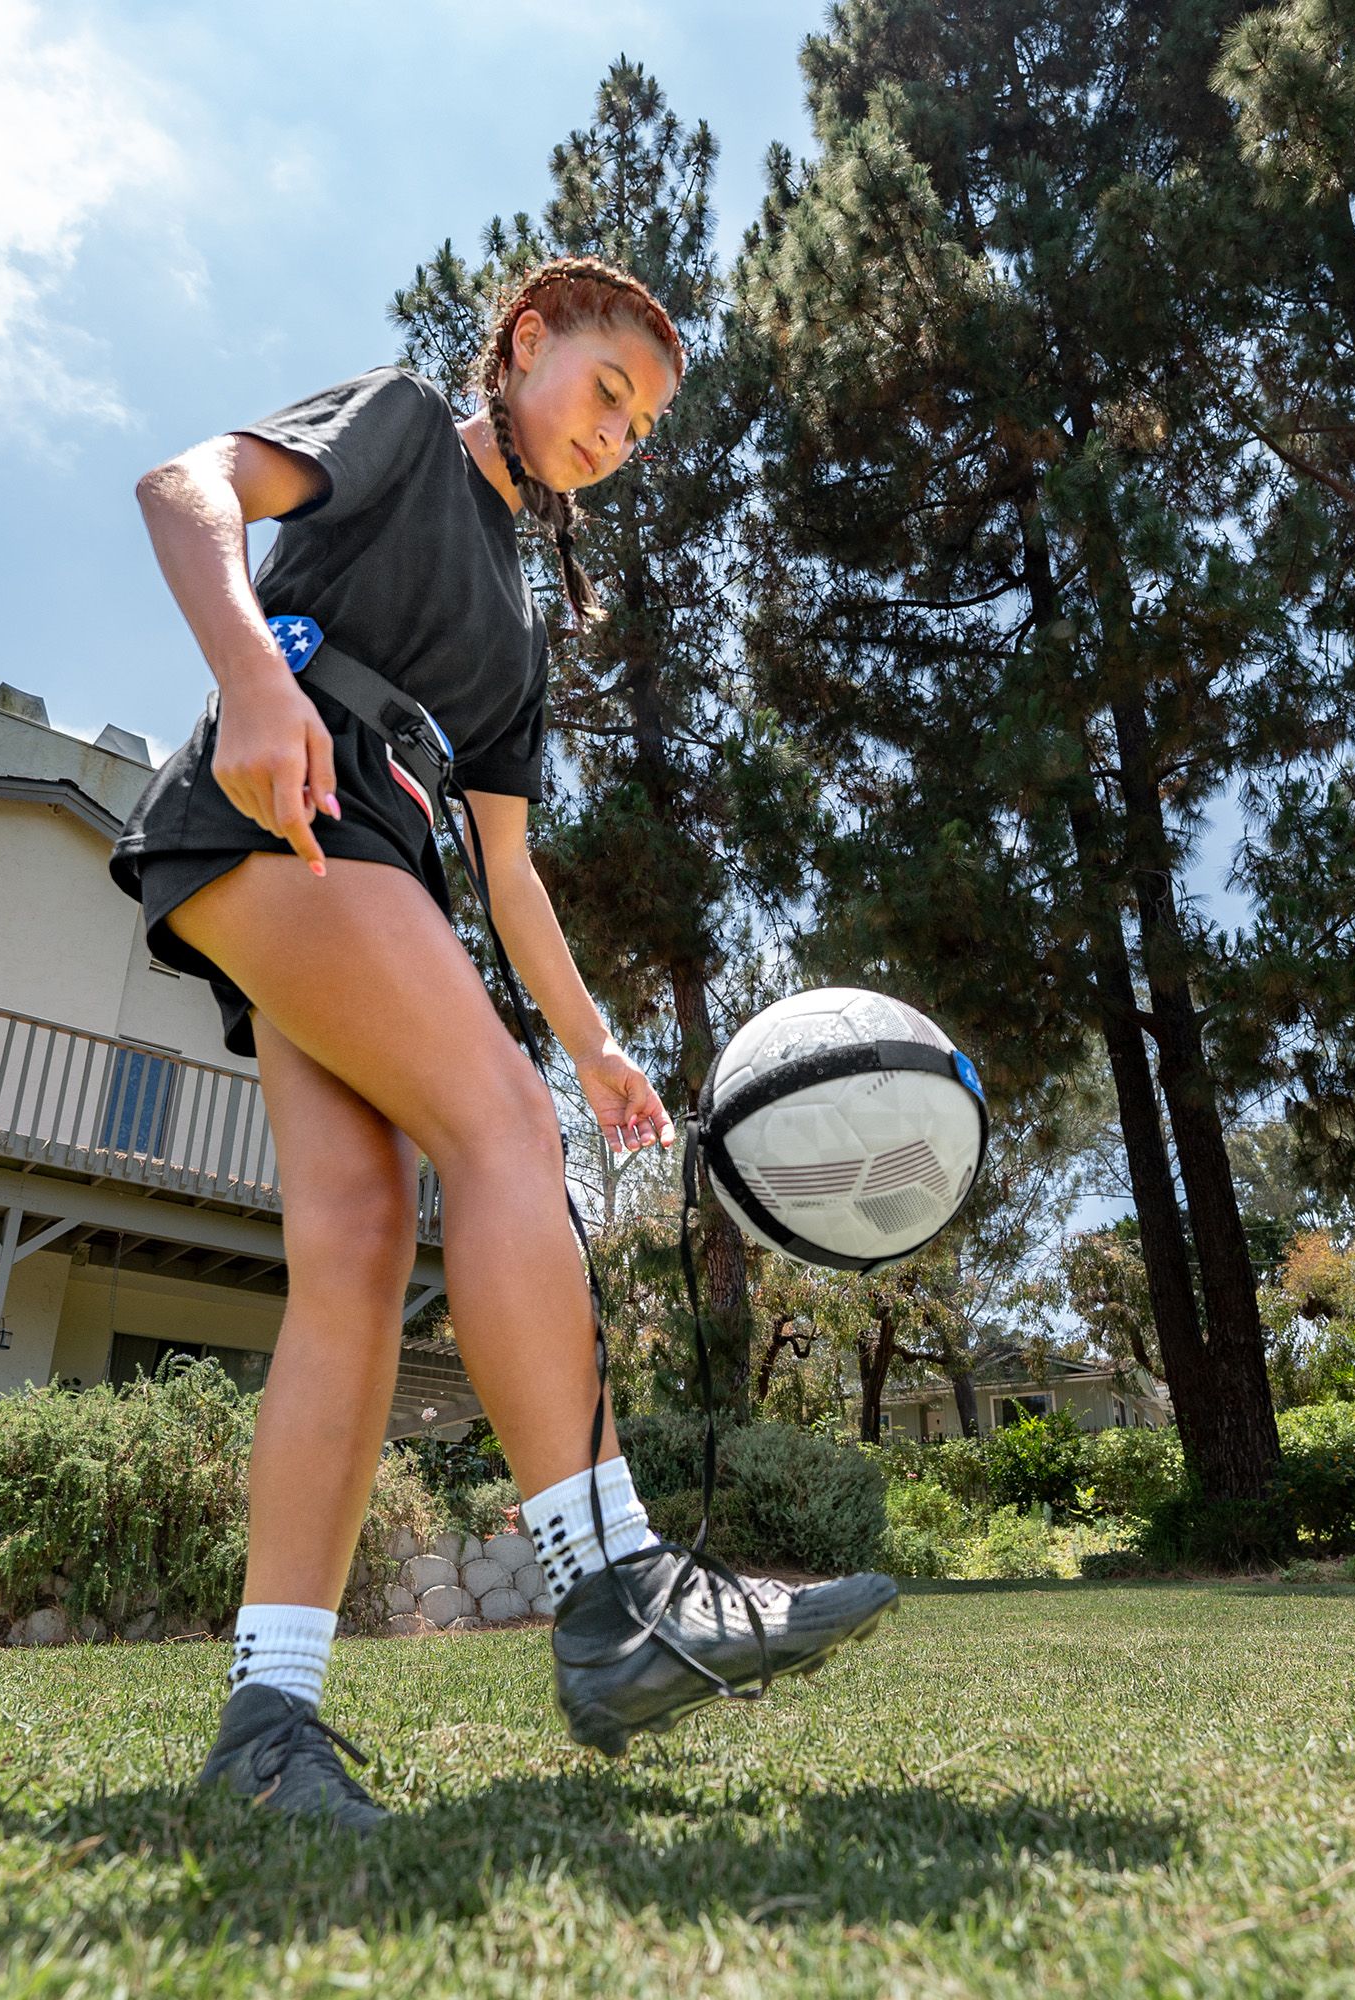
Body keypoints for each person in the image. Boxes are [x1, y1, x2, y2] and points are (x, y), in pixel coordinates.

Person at [113, 256, 896, 1832]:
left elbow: (513, 872)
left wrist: (599, 1041)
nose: (617, 436)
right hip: (278, 810)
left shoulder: (525, 639)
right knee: (499, 1134)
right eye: (606, 390)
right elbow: (183, 483)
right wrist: (252, 681)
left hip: (373, 871)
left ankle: (267, 1729)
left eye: (641, 427)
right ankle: (614, 1589)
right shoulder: (401, 419)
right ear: (527, 344)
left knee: (353, 1247)